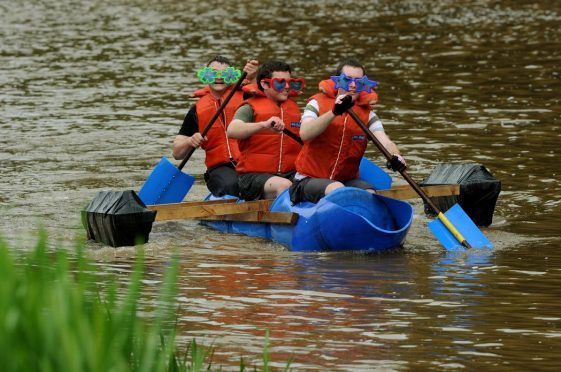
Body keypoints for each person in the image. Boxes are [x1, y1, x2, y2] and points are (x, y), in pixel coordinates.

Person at [289, 58, 406, 204]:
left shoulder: (368, 114)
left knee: (370, 194)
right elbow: (305, 133)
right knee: (338, 189)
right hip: (308, 180)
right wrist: (333, 112)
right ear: (337, 81)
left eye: (358, 82)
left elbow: (384, 140)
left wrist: (395, 155)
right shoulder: (316, 103)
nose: (352, 86)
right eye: (347, 80)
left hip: (346, 180)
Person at [172, 56, 259, 197]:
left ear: (232, 76)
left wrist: (254, 77)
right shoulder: (196, 110)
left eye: (224, 74)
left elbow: (264, 94)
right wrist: (190, 141)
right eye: (213, 73)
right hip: (220, 168)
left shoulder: (247, 97)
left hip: (251, 162)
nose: (219, 78)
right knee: (232, 185)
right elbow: (177, 153)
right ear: (206, 75)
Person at [227, 60, 304, 200]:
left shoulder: (295, 109)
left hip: (289, 174)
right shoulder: (249, 108)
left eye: (290, 82)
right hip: (252, 178)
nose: (286, 87)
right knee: (285, 185)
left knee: (314, 181)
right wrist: (263, 125)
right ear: (264, 84)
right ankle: (285, 217)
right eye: (280, 83)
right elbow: (232, 130)